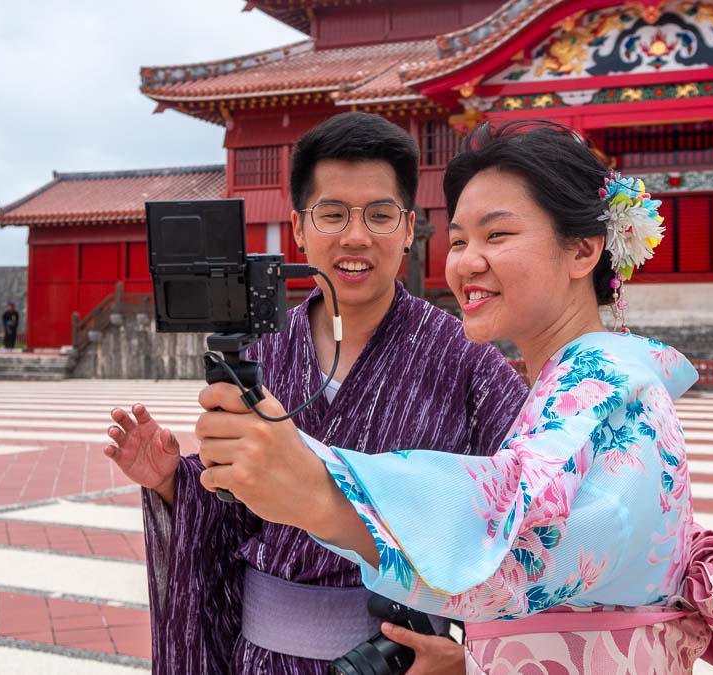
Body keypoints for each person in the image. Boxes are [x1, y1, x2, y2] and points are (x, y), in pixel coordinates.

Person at [191, 121, 713, 673]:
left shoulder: (603, 386)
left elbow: (522, 540)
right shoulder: (574, 382)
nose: (467, 262)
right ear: (299, 226)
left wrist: (317, 485)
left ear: (583, 249)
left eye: (497, 235)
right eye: (460, 240)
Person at [104, 112, 527, 674]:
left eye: (380, 215)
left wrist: (467, 655)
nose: (356, 236)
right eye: (332, 214)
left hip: (397, 660)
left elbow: (526, 516)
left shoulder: (466, 357)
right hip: (262, 657)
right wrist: (173, 482)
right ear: (300, 229)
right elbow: (234, 513)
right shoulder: (260, 354)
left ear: (408, 229)